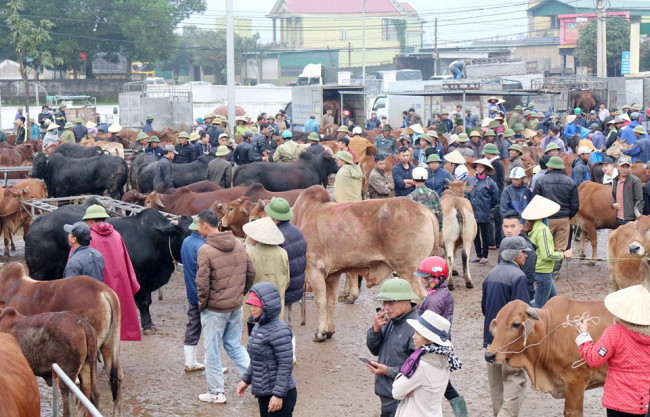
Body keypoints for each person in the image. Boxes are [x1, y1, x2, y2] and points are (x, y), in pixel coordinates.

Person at [195, 209, 255, 404]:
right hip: (235, 306)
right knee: (234, 345)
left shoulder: (205, 250)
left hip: (215, 309)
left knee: (211, 351)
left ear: (205, 225)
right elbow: (251, 272)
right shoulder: (238, 244)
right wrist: (239, 294)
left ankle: (216, 393)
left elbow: (202, 283)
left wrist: (202, 305)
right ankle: (257, 380)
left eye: (198, 224)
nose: (197, 227)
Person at [575, 285, 650, 417]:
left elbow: (594, 359)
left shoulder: (615, 333)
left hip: (619, 403)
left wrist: (583, 335)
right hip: (646, 402)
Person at [482, 236, 530, 417]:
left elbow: (484, 308)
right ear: (514, 255)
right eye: (523, 251)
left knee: (496, 387)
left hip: (489, 342)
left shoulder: (490, 274)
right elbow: (521, 314)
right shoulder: (518, 276)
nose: (525, 255)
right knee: (514, 380)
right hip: (509, 344)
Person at [414, 256, 468, 417]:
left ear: (438, 278)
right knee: (444, 384)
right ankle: (461, 413)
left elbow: (427, 327)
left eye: (426, 278)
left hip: (431, 348)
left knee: (436, 386)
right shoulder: (442, 293)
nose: (423, 281)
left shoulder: (432, 300)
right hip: (441, 344)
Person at [82, 204, 141, 341]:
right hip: (118, 285)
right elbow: (127, 263)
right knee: (115, 329)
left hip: (97, 288)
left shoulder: (88, 237)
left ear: (90, 221)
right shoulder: (117, 235)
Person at [237, 283, 298, 416]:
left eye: (255, 305)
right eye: (250, 305)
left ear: (267, 306)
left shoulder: (280, 330)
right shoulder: (258, 326)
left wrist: (278, 395)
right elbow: (257, 360)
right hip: (264, 392)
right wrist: (246, 380)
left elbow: (285, 365)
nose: (252, 309)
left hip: (280, 395)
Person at [366, 278, 420, 417]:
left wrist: (388, 371)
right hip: (387, 399)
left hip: (402, 402)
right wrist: (375, 330)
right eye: (384, 302)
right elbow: (374, 349)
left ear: (407, 299)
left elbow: (418, 371)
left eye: (391, 302)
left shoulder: (416, 328)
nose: (386, 307)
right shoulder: (390, 320)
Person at [392, 310, 462, 417]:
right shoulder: (446, 361)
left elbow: (396, 392)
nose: (413, 336)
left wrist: (403, 380)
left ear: (430, 339)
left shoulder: (421, 365)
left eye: (418, 333)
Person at [263, 197, 307, 364]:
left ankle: (287, 355)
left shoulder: (276, 235)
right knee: (286, 320)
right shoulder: (297, 231)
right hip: (295, 282)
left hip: (283, 285)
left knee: (281, 322)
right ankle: (291, 354)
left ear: (274, 217)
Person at [532, 156, 579, 278]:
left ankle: (542, 269)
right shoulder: (570, 182)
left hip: (545, 219)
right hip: (563, 219)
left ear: (549, 166)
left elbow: (535, 201)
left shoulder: (541, 181)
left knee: (543, 245)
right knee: (560, 247)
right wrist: (568, 215)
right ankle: (555, 272)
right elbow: (575, 205)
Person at [522, 195, 573, 308]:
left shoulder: (533, 227)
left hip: (540, 270)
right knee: (540, 306)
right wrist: (564, 254)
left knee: (555, 302)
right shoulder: (543, 230)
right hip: (543, 272)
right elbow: (547, 255)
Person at [242, 217, 289, 320]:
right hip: (275, 300)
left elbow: (244, 279)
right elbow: (286, 280)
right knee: (273, 331)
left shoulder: (251, 253)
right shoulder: (282, 253)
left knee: (255, 332)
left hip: (255, 301)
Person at [180, 216, 206, 372]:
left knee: (193, 324)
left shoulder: (186, 242)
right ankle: (212, 364)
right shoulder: (204, 246)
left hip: (191, 291)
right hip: (206, 293)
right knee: (211, 329)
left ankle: (190, 361)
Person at [468, 158, 500, 264]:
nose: (478, 169)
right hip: (473, 212)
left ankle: (485, 255)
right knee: (475, 235)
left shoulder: (490, 183)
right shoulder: (471, 180)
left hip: (485, 212)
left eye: (480, 167)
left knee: (485, 235)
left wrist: (488, 208)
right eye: (477, 167)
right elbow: (467, 194)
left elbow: (496, 199)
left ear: (485, 169)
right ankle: (478, 255)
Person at [499, 210, 537, 300]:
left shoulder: (527, 249)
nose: (509, 230)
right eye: (505, 226)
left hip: (522, 297)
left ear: (520, 227)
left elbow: (527, 279)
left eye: (512, 226)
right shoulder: (505, 243)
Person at [611, 156, 644, 226]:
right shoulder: (615, 180)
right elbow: (613, 196)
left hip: (630, 220)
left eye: (627, 167)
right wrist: (613, 204)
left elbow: (639, 201)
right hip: (619, 218)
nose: (625, 169)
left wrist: (637, 219)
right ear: (617, 167)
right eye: (622, 166)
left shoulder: (635, 181)